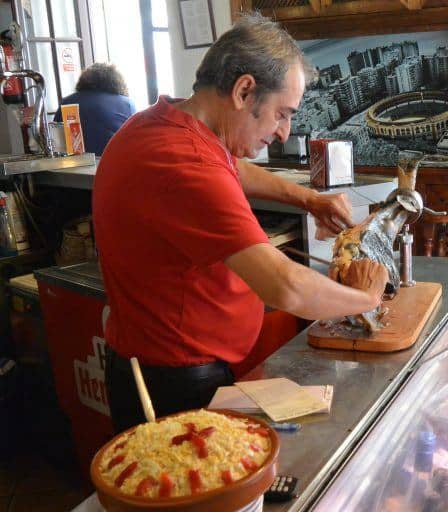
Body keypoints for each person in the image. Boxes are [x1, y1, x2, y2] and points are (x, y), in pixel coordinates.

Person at [93, 14, 389, 433]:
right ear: (244, 90)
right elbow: (284, 285)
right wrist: (365, 299)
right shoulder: (186, 160)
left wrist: (307, 198)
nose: (285, 132)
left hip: (160, 363)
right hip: (174, 384)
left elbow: (231, 167)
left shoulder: (163, 124)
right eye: (282, 114)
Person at [54, 63, 136, 155]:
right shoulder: (127, 104)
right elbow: (136, 139)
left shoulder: (67, 102)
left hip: (74, 165)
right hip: (114, 161)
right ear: (117, 82)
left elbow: (57, 142)